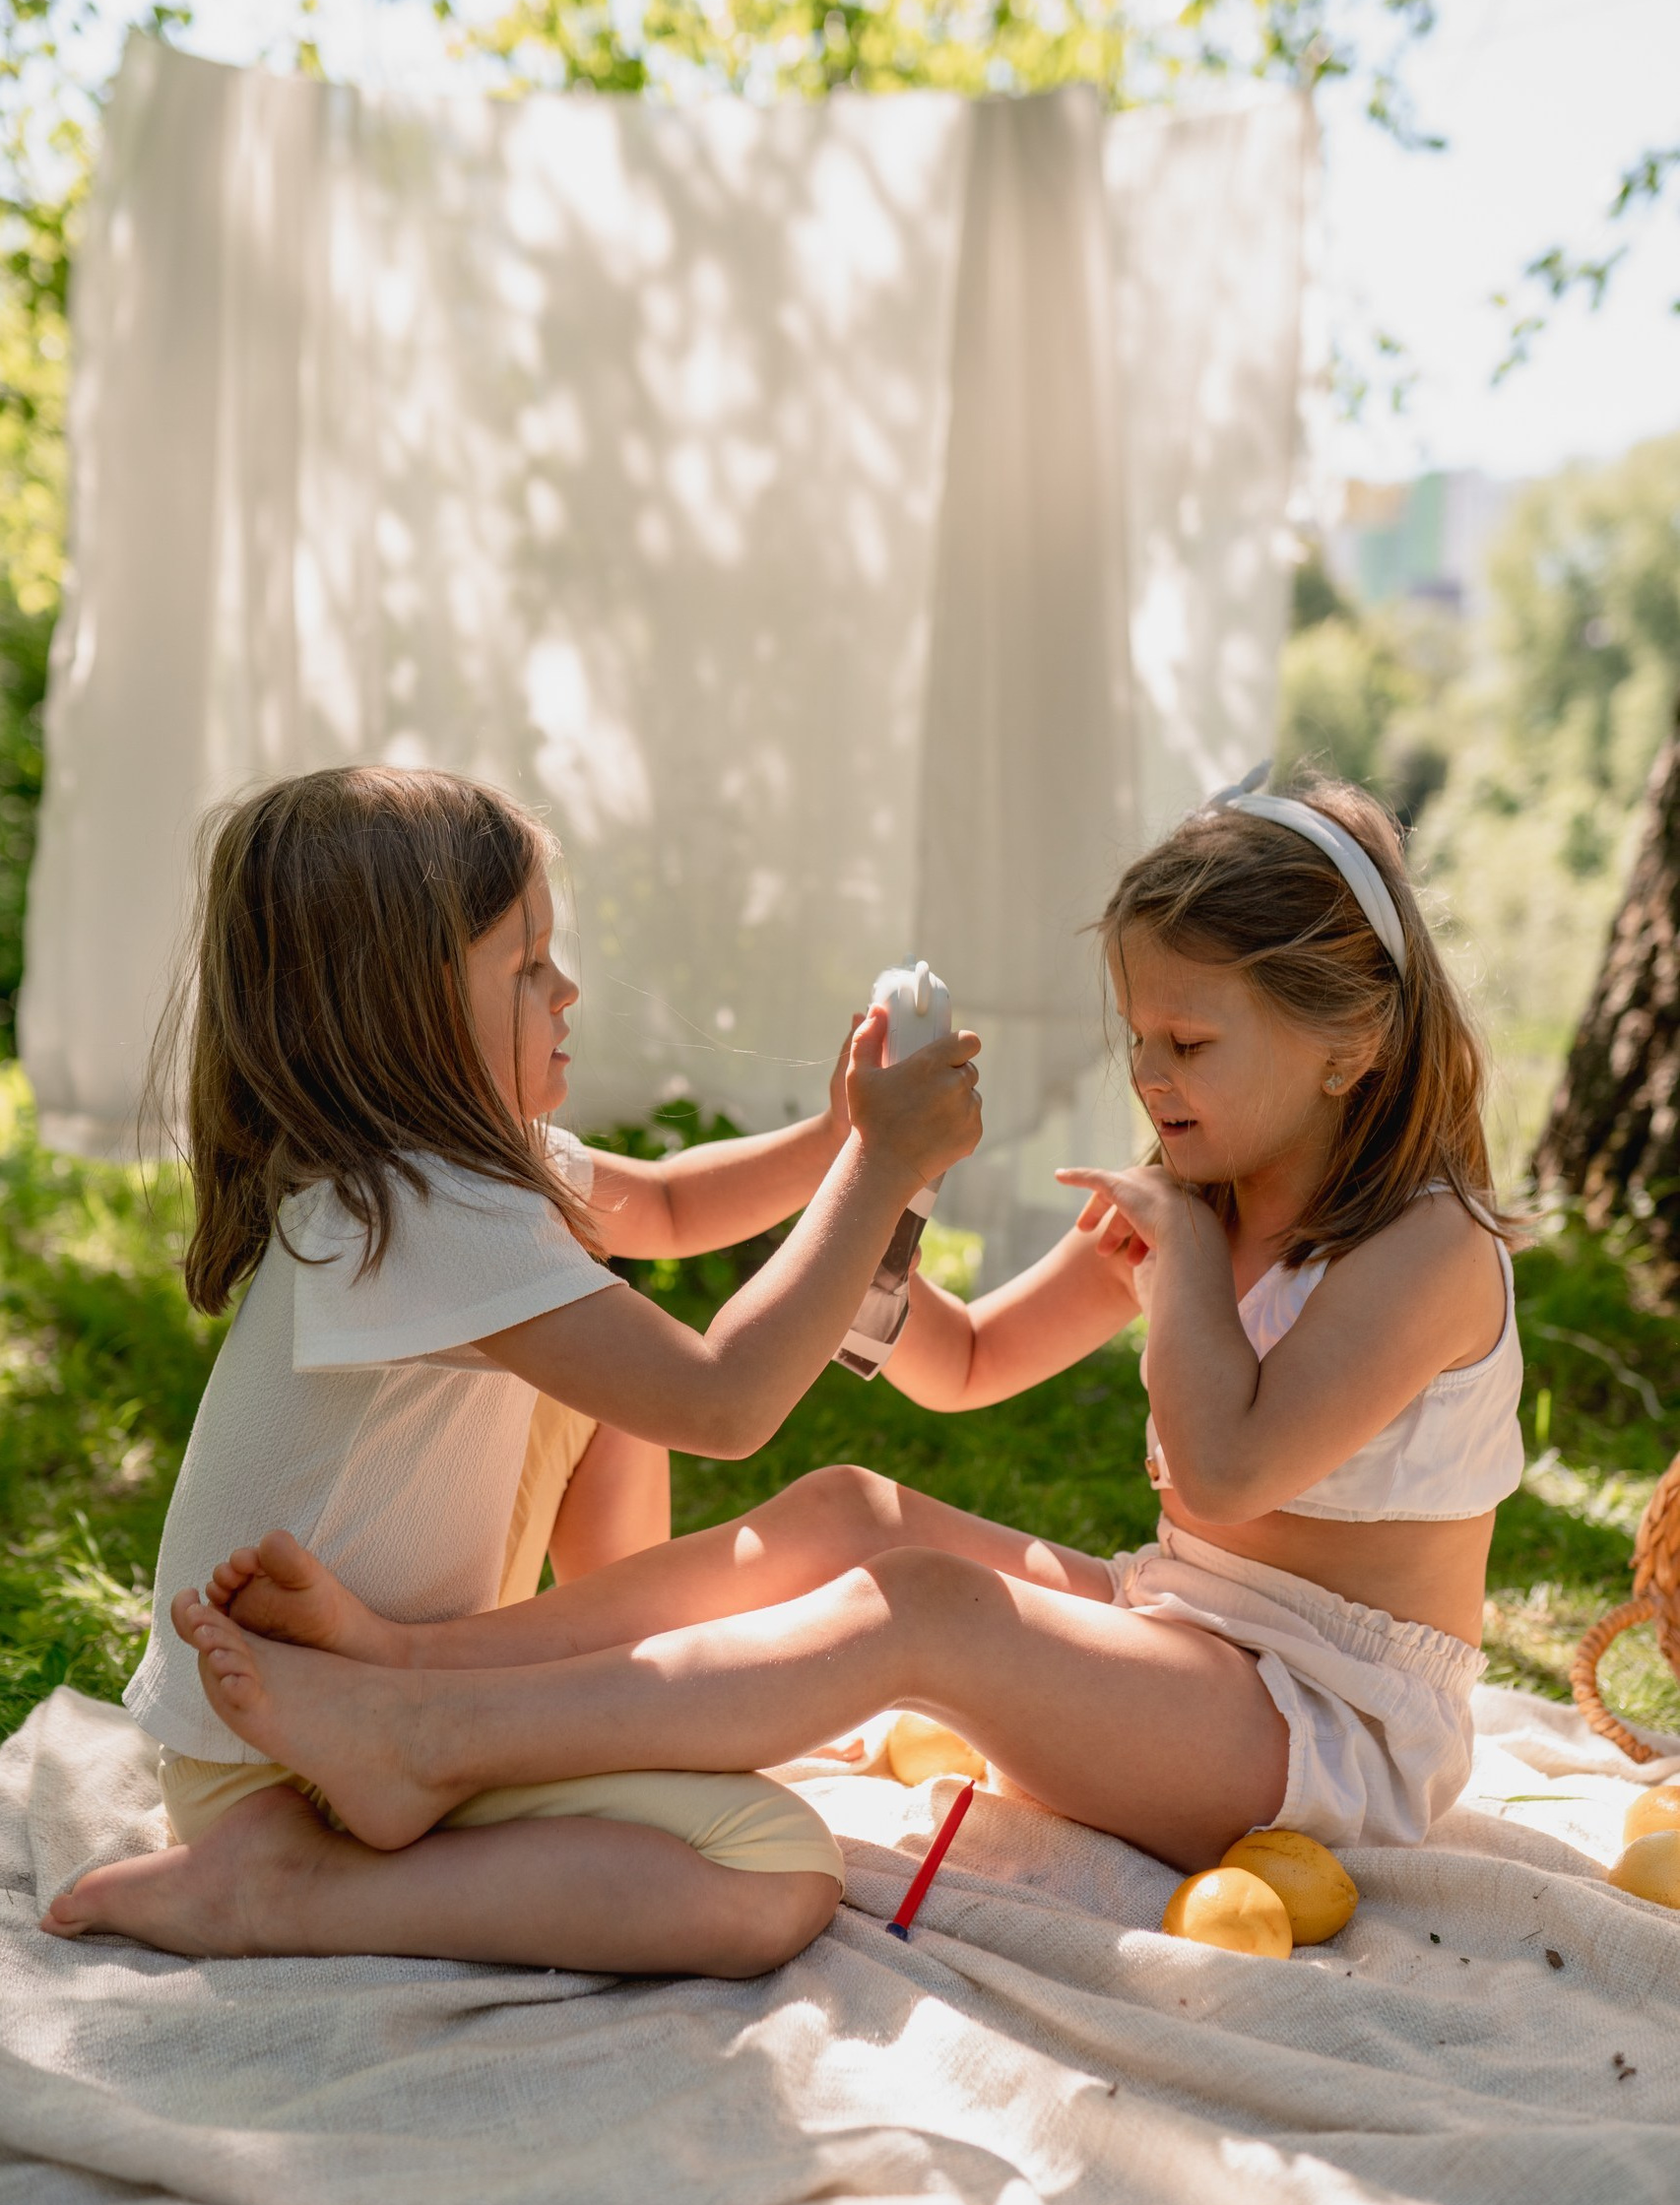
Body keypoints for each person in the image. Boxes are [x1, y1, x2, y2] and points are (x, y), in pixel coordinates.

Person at [60, 772, 1522, 1906]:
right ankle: (411, 1669)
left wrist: (1184, 1265)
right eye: (1135, 1038)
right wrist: (870, 1203)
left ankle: (436, 1736)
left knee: (925, 1610)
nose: (1147, 1078)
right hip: (1189, 1632)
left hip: (1325, 1732)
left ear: (1354, 1044)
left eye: (1187, 1046)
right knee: (848, 1510)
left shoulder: (1424, 1248)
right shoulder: (1192, 1217)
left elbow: (1223, 1473)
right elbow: (963, 1367)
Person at [42, 765, 982, 1974]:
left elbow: (667, 1203)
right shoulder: (424, 1213)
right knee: (768, 1870)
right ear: (405, 1011)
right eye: (527, 965)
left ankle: (599, 1700)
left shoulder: (441, 1175)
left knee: (605, 1344)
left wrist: (836, 1136)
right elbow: (722, 1399)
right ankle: (286, 1889)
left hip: (327, 1701)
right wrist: (878, 1171)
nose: (566, 988)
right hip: (286, 1761)